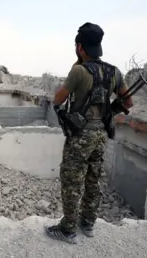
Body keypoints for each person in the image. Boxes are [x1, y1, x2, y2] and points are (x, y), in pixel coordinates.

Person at [46, 22, 133, 244]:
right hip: (101, 134)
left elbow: (58, 99)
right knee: (93, 179)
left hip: (80, 135)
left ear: (80, 47)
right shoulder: (114, 71)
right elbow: (128, 101)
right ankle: (88, 223)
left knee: (71, 180)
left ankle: (67, 229)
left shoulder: (79, 70)